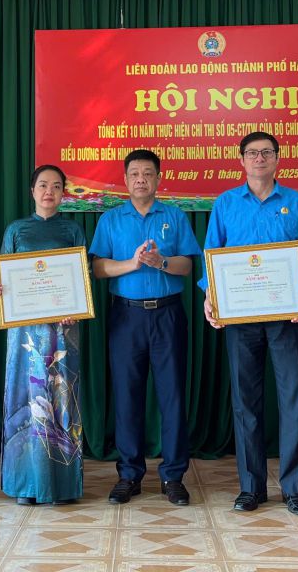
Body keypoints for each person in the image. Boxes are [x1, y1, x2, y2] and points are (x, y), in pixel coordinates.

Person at [201, 131, 298, 515]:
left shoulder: (297, 204)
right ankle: (251, 487)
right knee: (245, 402)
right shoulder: (225, 204)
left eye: (266, 153)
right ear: (241, 160)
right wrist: (210, 298)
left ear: (277, 159)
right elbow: (212, 257)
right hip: (240, 319)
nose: (259, 159)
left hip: (289, 316)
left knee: (295, 399)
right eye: (252, 153)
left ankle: (295, 489)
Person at [89, 149, 200, 506]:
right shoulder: (110, 219)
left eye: (148, 173)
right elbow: (98, 269)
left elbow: (186, 266)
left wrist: (161, 262)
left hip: (168, 315)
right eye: (134, 173)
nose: (141, 179)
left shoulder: (175, 216)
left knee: (172, 397)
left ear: (158, 179)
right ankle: (129, 474)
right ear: (125, 180)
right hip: (126, 316)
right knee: (127, 396)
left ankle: (173, 476)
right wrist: (132, 264)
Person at [0, 164, 85, 506]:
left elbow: (80, 278)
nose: (49, 191)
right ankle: (25, 484)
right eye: (43, 185)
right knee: (26, 400)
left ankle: (61, 484)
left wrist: (78, 302)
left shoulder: (73, 231)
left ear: (63, 194)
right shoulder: (16, 230)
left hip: (62, 332)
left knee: (60, 399)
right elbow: (3, 274)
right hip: (24, 334)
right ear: (32, 191)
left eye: (56, 186)